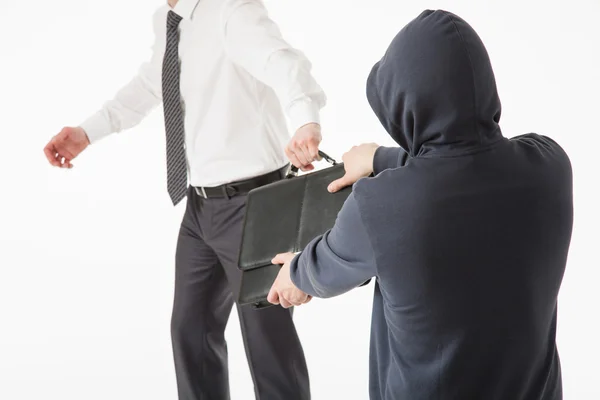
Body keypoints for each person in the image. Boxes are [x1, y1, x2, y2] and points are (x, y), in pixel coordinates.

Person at [268, 9, 572, 400]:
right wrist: (381, 158)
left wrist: (293, 272)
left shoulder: (380, 205)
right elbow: (468, 162)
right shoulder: (550, 165)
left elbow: (320, 269)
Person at [43, 0, 326, 399]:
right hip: (200, 207)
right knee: (190, 331)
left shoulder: (232, 10)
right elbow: (150, 82)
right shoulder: (168, 20)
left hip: (255, 206)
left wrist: (305, 121)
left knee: (267, 341)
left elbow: (283, 62)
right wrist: (87, 132)